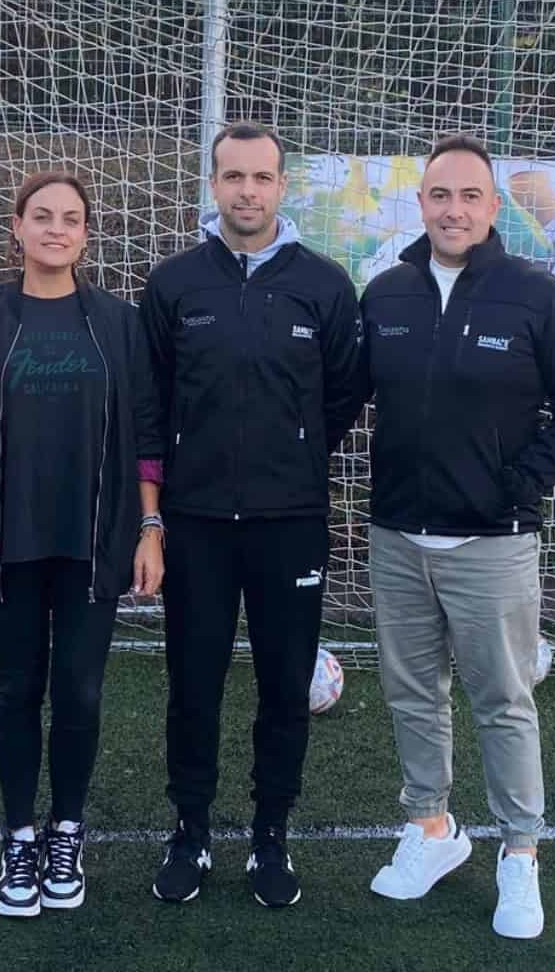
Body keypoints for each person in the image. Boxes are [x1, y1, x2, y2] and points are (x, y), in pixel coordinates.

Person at [357, 133, 555, 940]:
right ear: (421, 204)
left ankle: (520, 856)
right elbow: (342, 398)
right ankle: (432, 832)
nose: (453, 209)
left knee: (503, 701)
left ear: (493, 209)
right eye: (440, 195)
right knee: (411, 693)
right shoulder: (386, 293)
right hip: (398, 536)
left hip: (493, 543)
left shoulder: (535, 295)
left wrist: (522, 481)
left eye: (469, 196)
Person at [141, 121, 365, 908]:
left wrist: (295, 455)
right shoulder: (174, 283)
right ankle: (191, 831)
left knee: (282, 686)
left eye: (261, 178)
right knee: (192, 684)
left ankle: (271, 836)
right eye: (232, 177)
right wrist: (158, 512)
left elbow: (343, 393)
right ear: (212, 185)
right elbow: (153, 399)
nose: (247, 191)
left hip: (290, 521)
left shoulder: (326, 284)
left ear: (282, 186)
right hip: (196, 520)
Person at [0, 169, 165, 918]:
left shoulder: (119, 323)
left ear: (87, 234)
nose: (56, 229)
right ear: (17, 227)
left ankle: (68, 828)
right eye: (41, 216)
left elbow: (147, 436)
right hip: (5, 537)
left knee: (81, 688)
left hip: (95, 536)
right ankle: (19, 837)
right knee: (16, 688)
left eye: (70, 218)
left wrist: (150, 527)